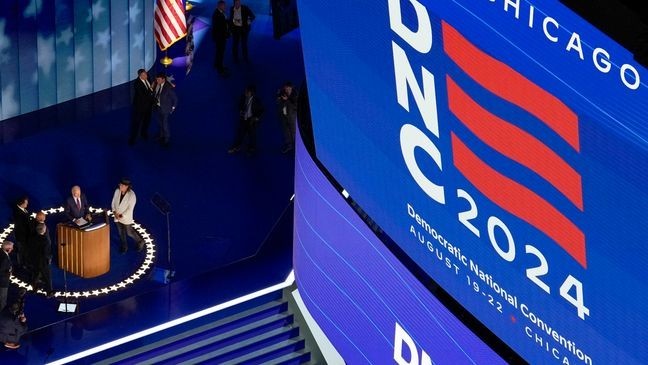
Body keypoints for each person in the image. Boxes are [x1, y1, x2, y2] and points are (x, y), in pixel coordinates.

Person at [228, 84, 264, 155]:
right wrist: (241, 110)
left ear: (252, 93)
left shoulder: (256, 100)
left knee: (252, 135)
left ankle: (252, 148)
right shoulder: (243, 98)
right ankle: (237, 147)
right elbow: (239, 105)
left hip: (251, 120)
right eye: (246, 91)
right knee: (240, 134)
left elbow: (262, 110)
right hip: (244, 119)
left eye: (248, 91)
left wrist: (257, 117)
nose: (246, 92)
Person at [111, 178, 143, 253]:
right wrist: (114, 212)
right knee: (121, 233)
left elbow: (130, 209)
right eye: (120, 184)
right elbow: (113, 202)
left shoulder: (132, 195)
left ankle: (140, 241)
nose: (120, 186)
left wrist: (121, 216)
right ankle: (124, 247)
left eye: (122, 185)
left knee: (129, 232)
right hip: (116, 216)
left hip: (125, 218)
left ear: (127, 186)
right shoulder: (117, 191)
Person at [129, 68, 154, 145]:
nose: (146, 76)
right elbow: (144, 95)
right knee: (136, 123)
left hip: (148, 106)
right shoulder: (137, 84)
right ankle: (132, 138)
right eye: (144, 75)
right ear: (140, 76)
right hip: (140, 107)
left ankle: (143, 133)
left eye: (146, 74)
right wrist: (151, 88)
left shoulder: (148, 77)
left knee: (146, 121)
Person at [152, 72, 178, 148]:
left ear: (163, 79)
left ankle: (167, 139)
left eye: (159, 79)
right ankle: (161, 136)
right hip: (158, 107)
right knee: (160, 123)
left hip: (165, 109)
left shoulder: (168, 87)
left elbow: (175, 99)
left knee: (165, 124)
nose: (157, 81)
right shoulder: (157, 85)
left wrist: (172, 108)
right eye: (157, 79)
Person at [31, 223, 53, 297]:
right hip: (43, 262)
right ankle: (49, 292)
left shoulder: (33, 238)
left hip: (35, 260)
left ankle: (35, 288)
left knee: (35, 275)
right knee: (47, 277)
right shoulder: (46, 241)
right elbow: (46, 253)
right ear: (44, 230)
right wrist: (50, 257)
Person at [276, 81, 297, 153]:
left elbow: (296, 106)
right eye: (285, 89)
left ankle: (296, 148)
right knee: (286, 132)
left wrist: (287, 100)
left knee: (294, 133)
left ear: (291, 87)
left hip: (292, 117)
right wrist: (279, 98)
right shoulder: (283, 94)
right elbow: (279, 104)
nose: (286, 90)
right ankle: (289, 146)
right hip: (284, 116)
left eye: (288, 88)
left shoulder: (295, 95)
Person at [11, 196, 30, 267]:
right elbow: (22, 227)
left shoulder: (22, 209)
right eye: (26, 203)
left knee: (24, 249)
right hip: (21, 236)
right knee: (21, 249)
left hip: (24, 234)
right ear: (21, 204)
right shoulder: (18, 214)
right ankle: (22, 264)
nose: (27, 204)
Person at [212, 1, 230, 76]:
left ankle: (216, 64)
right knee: (221, 52)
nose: (225, 7)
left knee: (218, 51)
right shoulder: (218, 15)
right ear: (220, 6)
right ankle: (220, 69)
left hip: (218, 37)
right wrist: (227, 34)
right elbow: (221, 28)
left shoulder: (219, 12)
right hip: (220, 37)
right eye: (224, 6)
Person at [0, 241, 13, 313]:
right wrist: (8, 274)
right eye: (11, 248)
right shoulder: (4, 259)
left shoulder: (1, 252)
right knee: (3, 300)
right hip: (2, 283)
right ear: (7, 249)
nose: (12, 249)